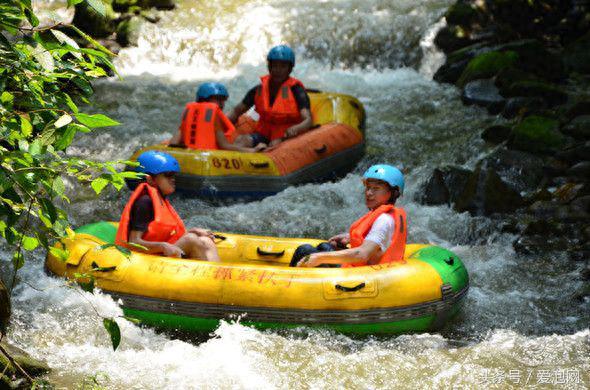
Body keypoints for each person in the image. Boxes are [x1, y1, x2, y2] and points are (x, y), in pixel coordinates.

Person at [293, 164, 407, 268]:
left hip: (364, 276)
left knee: (305, 250)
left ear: (393, 193)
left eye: (376, 189)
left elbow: (363, 254)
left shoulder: (384, 220)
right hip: (364, 268)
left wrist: (319, 258)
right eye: (368, 187)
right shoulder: (386, 215)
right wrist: (348, 237)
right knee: (324, 246)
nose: (368, 193)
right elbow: (380, 239)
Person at [115, 151, 220, 261]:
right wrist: (163, 246)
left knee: (206, 240)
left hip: (159, 253)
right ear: (150, 179)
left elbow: (165, 234)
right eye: (168, 175)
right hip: (144, 259)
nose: (173, 179)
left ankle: (216, 273)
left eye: (173, 175)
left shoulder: (159, 198)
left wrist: (193, 230)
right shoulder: (144, 202)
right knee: (191, 240)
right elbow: (133, 242)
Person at [227, 45, 313, 148]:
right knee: (241, 140)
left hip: (287, 136)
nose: (278, 70)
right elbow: (236, 111)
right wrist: (219, 124)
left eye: (283, 66)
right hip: (264, 134)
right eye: (275, 66)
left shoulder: (296, 90)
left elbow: (307, 120)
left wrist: (297, 128)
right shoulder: (259, 90)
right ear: (269, 67)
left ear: (289, 69)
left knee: (274, 144)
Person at [170, 82, 266, 152]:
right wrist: (252, 150)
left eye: (223, 100)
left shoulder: (189, 111)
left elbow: (173, 143)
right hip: (207, 157)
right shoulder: (213, 115)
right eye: (218, 99)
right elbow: (225, 146)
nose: (221, 104)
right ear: (205, 98)